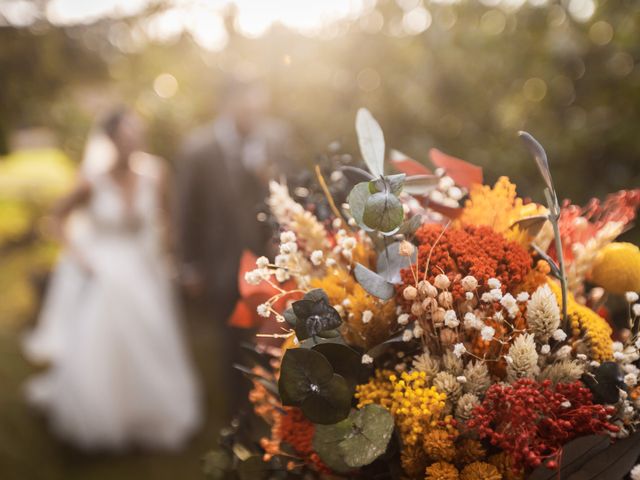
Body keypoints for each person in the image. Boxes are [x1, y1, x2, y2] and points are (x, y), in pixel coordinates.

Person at [22, 108, 201, 450]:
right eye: (124, 137)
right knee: (105, 339)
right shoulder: (93, 178)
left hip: (146, 270)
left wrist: (172, 260)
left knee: (152, 338)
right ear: (110, 141)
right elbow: (56, 218)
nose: (131, 143)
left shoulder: (156, 171)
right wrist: (79, 256)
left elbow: (168, 220)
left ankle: (150, 412)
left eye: (136, 135)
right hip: (105, 271)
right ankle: (104, 412)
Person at [175, 78, 291, 411]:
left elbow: (291, 188)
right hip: (221, 262)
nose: (253, 114)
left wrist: (266, 176)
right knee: (229, 341)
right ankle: (237, 412)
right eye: (246, 107)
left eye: (258, 107)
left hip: (269, 260)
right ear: (229, 104)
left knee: (273, 336)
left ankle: (276, 407)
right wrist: (188, 265)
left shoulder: (275, 138)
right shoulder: (198, 148)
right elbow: (186, 211)